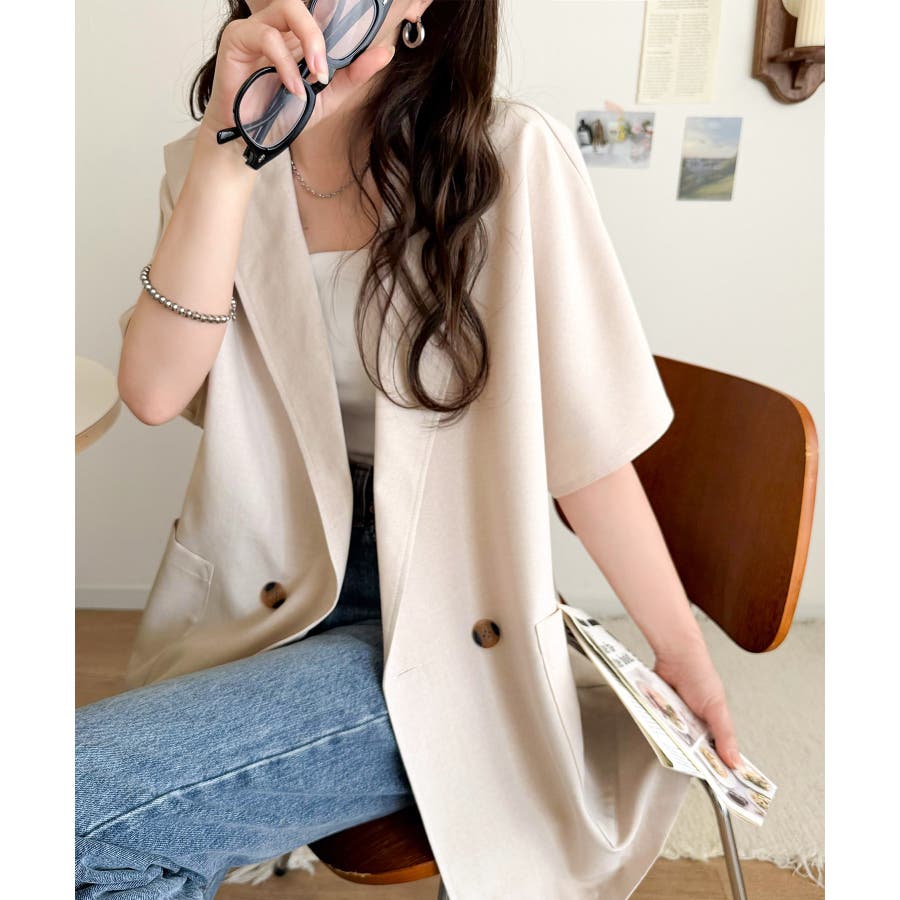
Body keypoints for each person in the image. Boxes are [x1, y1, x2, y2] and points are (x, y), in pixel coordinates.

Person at [76, 2, 742, 897]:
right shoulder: (213, 159)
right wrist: (227, 160)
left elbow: (584, 452)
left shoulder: (510, 156)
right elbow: (156, 392)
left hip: (448, 612)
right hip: (264, 587)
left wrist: (681, 651)